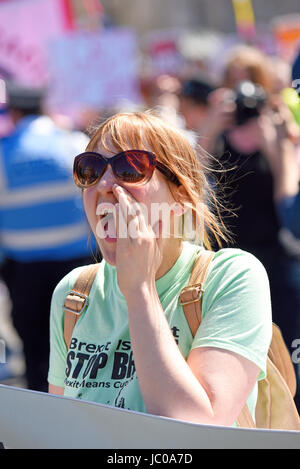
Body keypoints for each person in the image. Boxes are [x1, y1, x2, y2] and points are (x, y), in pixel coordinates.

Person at [48, 111, 272, 427]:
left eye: (131, 167)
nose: (106, 185)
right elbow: (60, 428)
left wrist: (140, 289)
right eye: (91, 169)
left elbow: (200, 428)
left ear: (181, 196)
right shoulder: (74, 292)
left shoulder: (232, 276)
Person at [0, 82, 99, 392]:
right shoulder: (74, 145)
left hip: (23, 267)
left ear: (14, 112)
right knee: (80, 346)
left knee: (35, 348)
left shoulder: (3, 152)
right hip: (77, 265)